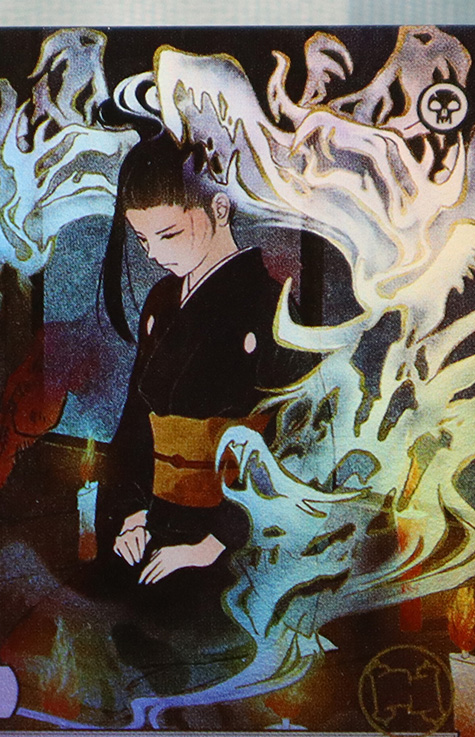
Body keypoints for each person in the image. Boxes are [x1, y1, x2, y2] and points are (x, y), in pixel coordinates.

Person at [99, 133, 310, 596]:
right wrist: (131, 515)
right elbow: (136, 420)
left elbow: (289, 440)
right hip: (154, 520)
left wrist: (212, 544)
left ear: (219, 208)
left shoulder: (270, 306)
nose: (154, 253)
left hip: (231, 537)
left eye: (168, 234)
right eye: (142, 238)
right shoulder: (161, 301)